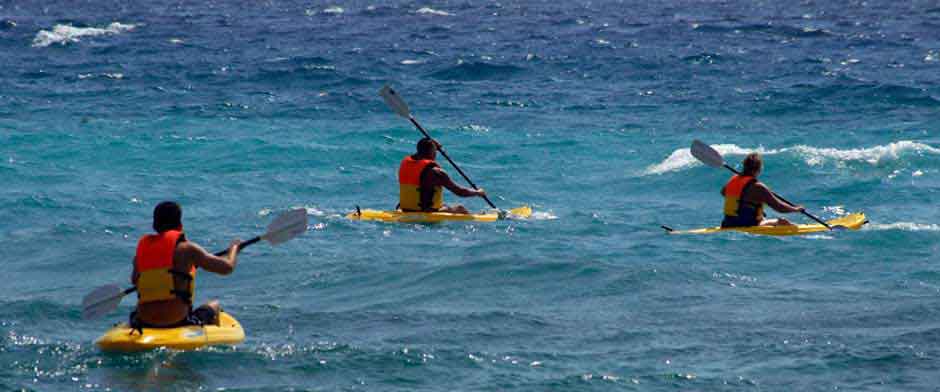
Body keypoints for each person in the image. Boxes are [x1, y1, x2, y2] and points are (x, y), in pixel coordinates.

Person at [129, 201, 240, 328]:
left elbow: (135, 281)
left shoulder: (140, 254)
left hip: (145, 320)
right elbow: (227, 267)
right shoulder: (187, 249)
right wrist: (234, 248)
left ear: (154, 225)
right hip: (177, 320)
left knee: (134, 313)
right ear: (180, 224)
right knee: (214, 306)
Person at [399, 137, 487, 214]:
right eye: (434, 151)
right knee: (460, 208)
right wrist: (478, 192)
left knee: (444, 205)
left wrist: (432, 144)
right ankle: (477, 217)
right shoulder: (436, 173)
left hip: (405, 209)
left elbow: (422, 149)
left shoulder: (405, 162)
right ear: (431, 152)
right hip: (425, 212)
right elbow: (459, 192)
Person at [721, 152, 804, 227]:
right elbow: (779, 207)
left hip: (727, 224)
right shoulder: (759, 187)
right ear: (759, 169)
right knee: (783, 222)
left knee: (761, 215)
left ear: (744, 166)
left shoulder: (732, 181)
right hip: (748, 225)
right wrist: (795, 209)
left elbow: (723, 192)